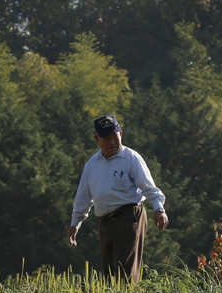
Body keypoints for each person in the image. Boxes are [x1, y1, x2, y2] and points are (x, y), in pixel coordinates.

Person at [67, 114, 169, 283]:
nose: (112, 142)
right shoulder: (92, 164)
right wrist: (75, 223)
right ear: (97, 139)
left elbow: (149, 187)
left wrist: (159, 209)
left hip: (129, 218)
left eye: (115, 137)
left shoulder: (131, 158)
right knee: (109, 275)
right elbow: (83, 198)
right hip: (105, 223)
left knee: (124, 273)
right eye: (106, 138)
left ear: (121, 134)